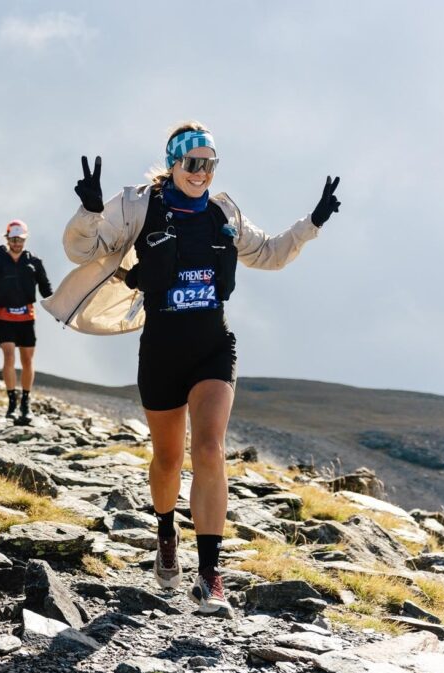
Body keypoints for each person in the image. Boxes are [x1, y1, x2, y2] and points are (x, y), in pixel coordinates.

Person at [42, 122, 341, 617]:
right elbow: (83, 250)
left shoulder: (223, 213)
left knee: (208, 448)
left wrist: (313, 222)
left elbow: (269, 253)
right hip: (162, 348)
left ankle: (209, 576)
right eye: (193, 163)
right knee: (166, 460)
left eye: (210, 164)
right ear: (174, 163)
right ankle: (166, 532)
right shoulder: (139, 207)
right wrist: (90, 211)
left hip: (212, 347)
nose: (202, 173)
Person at [0, 220, 54, 421]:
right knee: (9, 356)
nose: (17, 243)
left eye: (20, 240)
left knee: (27, 360)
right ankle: (12, 402)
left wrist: (58, 308)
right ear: (7, 239)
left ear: (25, 240)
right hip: (4, 317)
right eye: (13, 239)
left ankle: (25, 403)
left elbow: (45, 288)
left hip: (27, 316)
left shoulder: (34, 262)